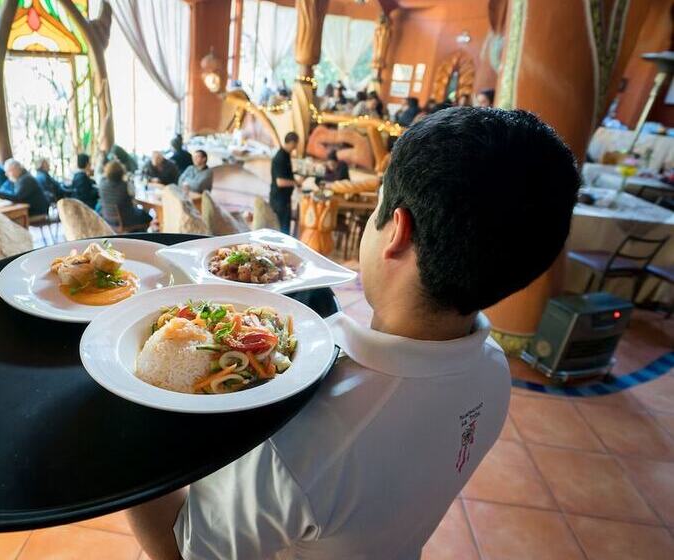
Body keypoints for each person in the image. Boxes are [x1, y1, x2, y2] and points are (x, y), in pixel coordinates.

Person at [124, 108, 581, 559]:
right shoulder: (495, 374)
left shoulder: (301, 442)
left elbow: (180, 553)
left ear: (397, 230)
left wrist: (126, 407)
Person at [97, 160, 151, 230]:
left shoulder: (102, 183)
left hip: (107, 220)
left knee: (140, 213)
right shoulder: (125, 185)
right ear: (121, 172)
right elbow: (133, 194)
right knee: (146, 215)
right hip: (126, 220)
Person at [269, 131, 300, 234]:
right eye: (295, 145)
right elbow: (280, 182)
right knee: (281, 231)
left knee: (284, 229)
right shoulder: (280, 157)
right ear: (291, 142)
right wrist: (296, 182)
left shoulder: (286, 155)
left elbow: (285, 174)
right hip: (279, 201)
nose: (295, 147)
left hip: (284, 200)